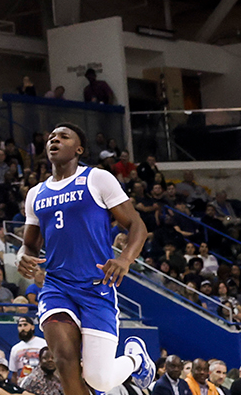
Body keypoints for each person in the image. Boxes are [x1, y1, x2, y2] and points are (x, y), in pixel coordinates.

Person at [16, 124, 153, 395]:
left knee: (99, 379)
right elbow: (29, 245)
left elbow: (137, 225)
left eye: (63, 136)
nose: (54, 139)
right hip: (56, 286)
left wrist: (125, 259)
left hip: (96, 285)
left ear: (79, 149)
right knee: (64, 360)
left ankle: (136, 359)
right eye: (51, 137)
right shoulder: (36, 194)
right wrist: (23, 257)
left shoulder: (97, 178)